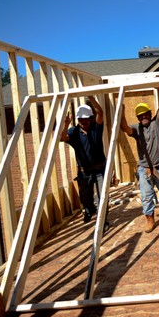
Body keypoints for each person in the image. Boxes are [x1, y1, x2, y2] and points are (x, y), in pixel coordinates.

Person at [120, 100, 159, 233]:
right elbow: (125, 128)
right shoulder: (136, 129)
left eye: (145, 114)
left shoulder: (156, 123)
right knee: (146, 195)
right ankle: (150, 218)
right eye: (140, 116)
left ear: (149, 114)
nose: (143, 117)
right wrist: (122, 113)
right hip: (144, 168)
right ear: (138, 118)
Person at [61, 97, 109, 231]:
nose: (83, 122)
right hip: (84, 172)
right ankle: (89, 210)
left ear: (91, 118)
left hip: (100, 169)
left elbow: (100, 113)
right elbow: (62, 138)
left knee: (102, 197)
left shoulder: (96, 129)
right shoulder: (74, 132)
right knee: (86, 198)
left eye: (86, 119)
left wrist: (92, 98)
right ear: (78, 120)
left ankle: (103, 223)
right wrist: (65, 125)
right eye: (81, 120)